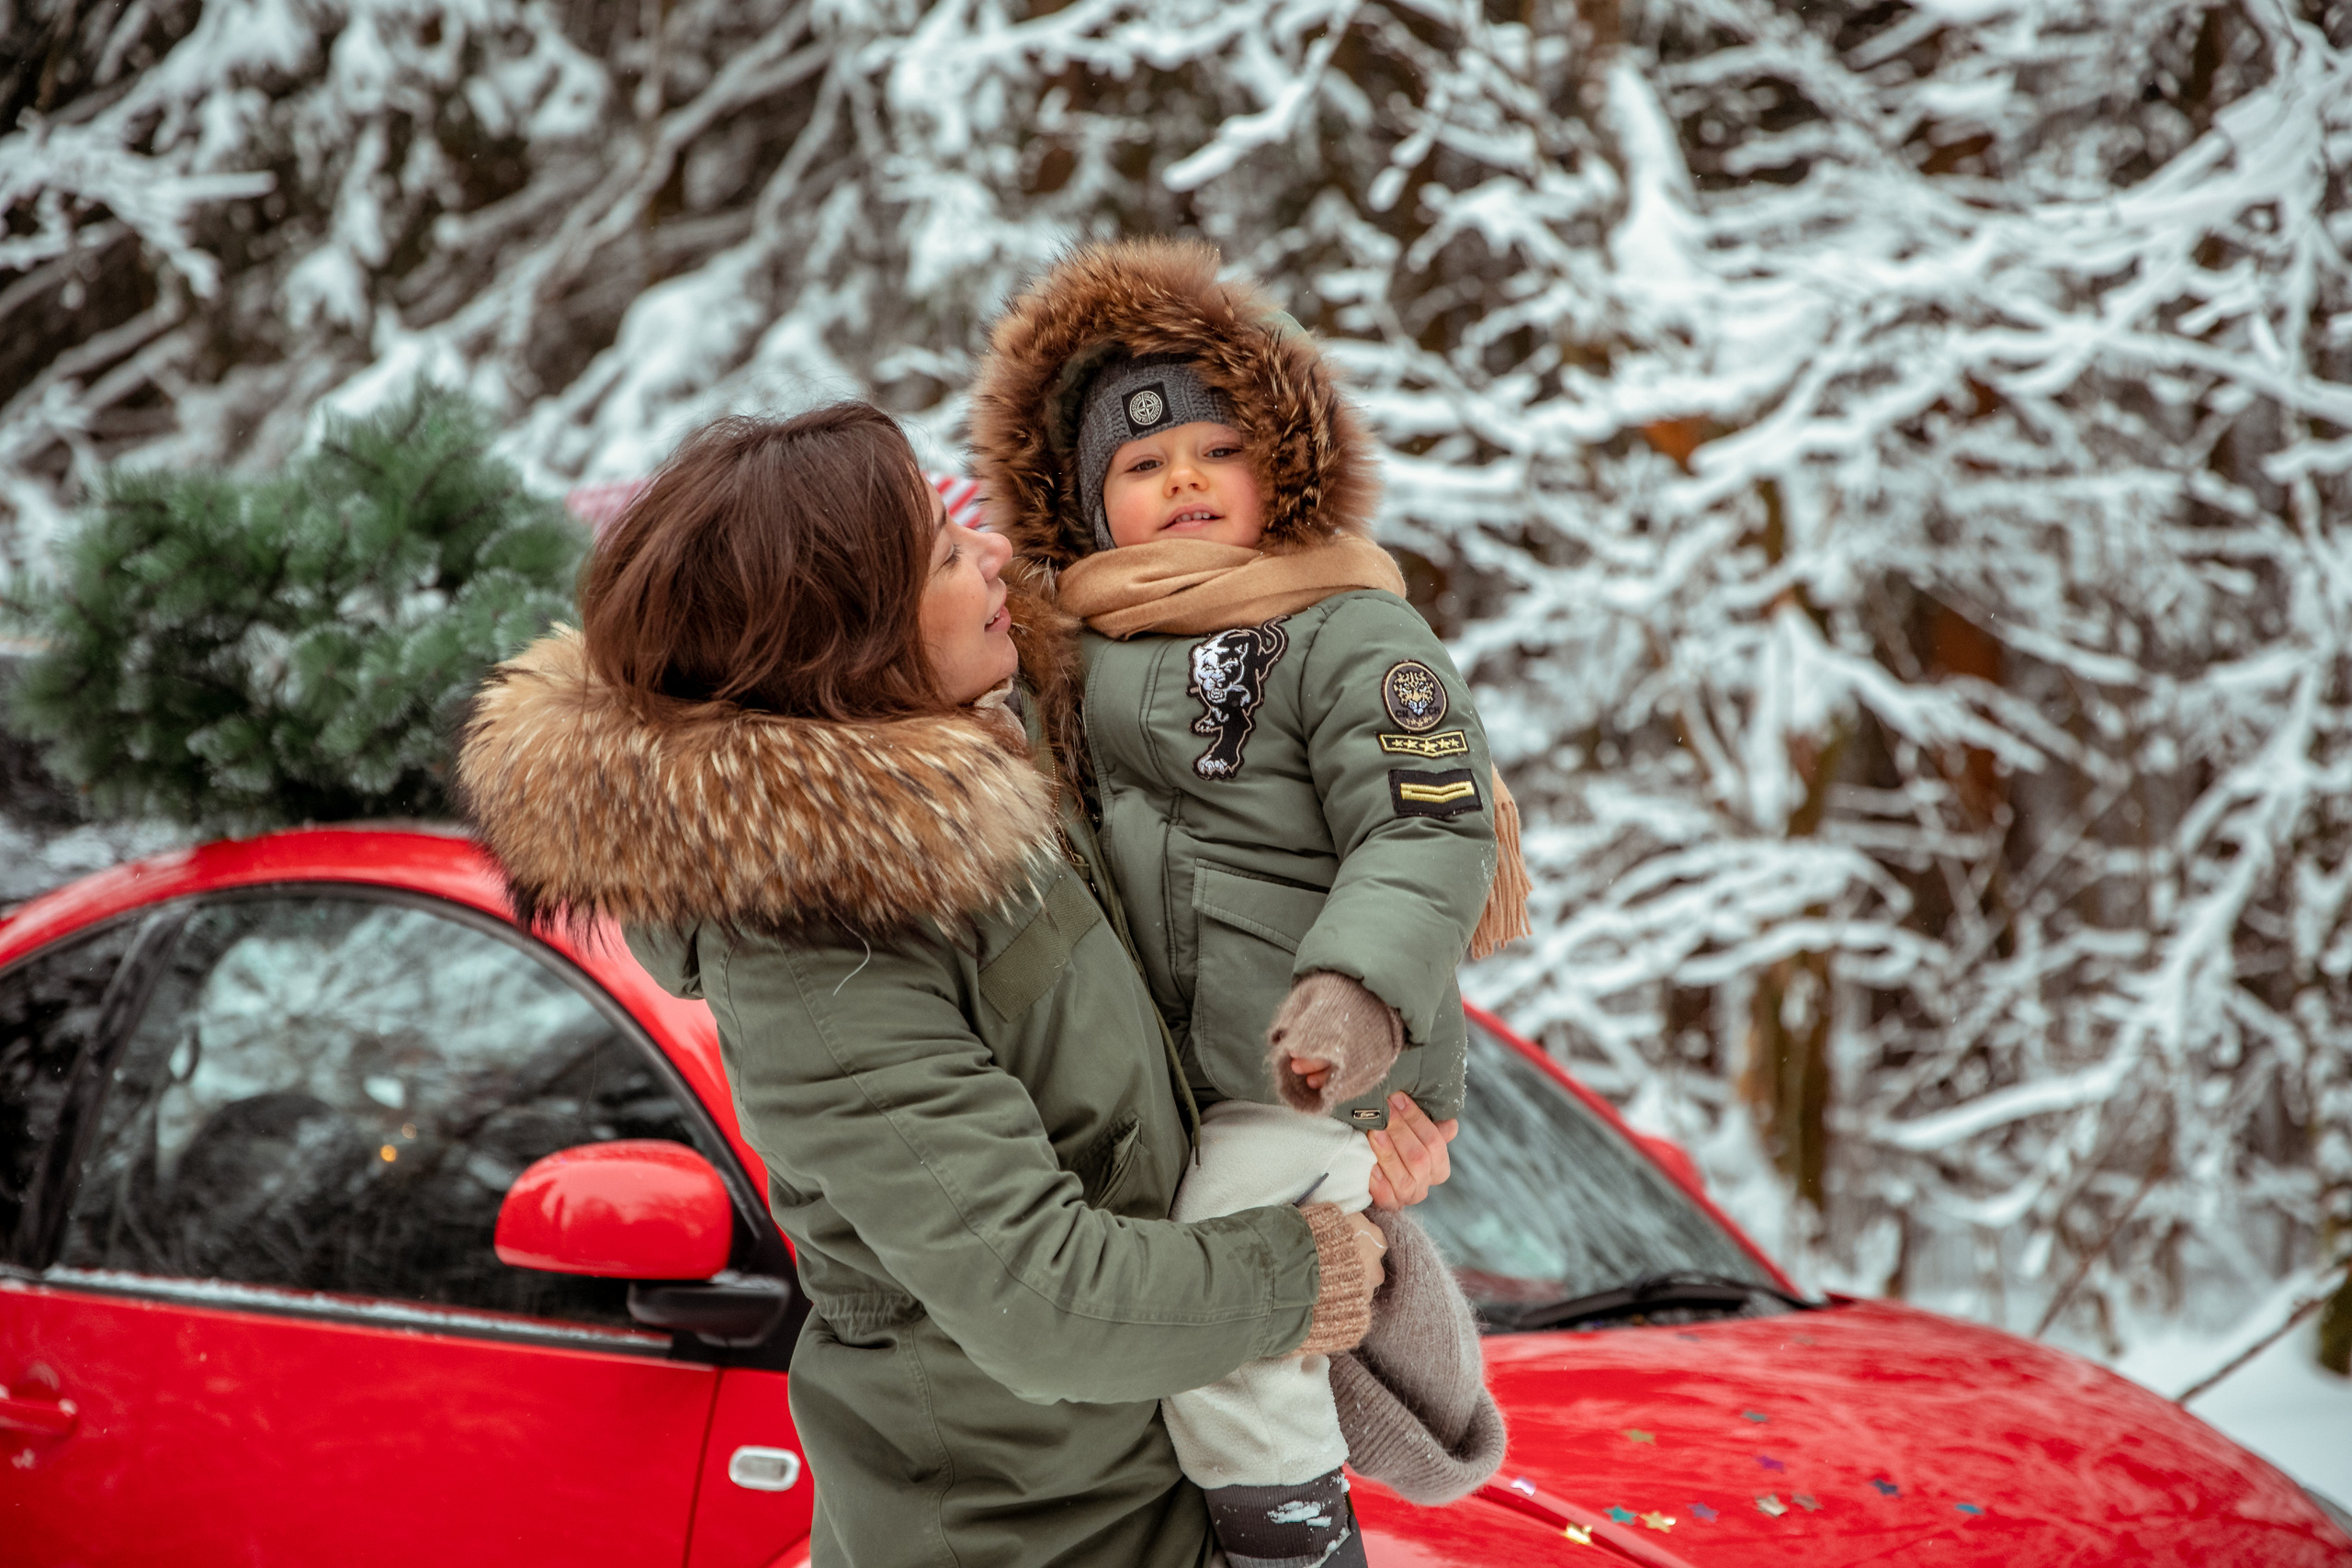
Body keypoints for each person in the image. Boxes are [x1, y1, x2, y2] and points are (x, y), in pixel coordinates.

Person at [455, 402, 1460, 1568]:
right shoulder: (818, 955)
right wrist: (1312, 1269)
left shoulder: (1001, 770)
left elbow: (1194, 1000)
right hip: (1029, 1535)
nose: (991, 553)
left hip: (1170, 1503)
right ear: (847, 642)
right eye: (942, 551)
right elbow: (1048, 1301)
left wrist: (1350, 1115)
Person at [971, 238, 1524, 1568]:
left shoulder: (1352, 632)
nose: (1183, 483)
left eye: (1215, 453)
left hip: (1315, 1059)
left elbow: (1426, 829)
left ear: (1280, 467)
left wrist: (1360, 994)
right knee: (1181, 1280)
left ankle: (1291, 1536)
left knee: (1229, 1289)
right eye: (1142, 466)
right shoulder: (1072, 649)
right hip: (1171, 1072)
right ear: (1091, 507)